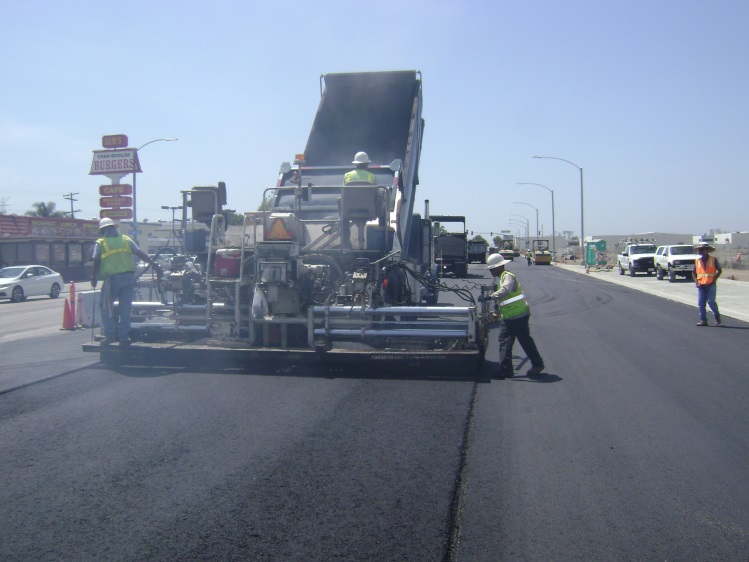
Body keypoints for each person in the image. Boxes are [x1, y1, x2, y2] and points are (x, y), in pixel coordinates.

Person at [91, 218, 162, 346]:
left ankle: (110, 335)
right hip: (129, 278)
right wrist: (153, 264)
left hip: (112, 280)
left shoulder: (101, 243)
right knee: (125, 308)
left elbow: (96, 261)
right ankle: (124, 337)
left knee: (106, 306)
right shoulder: (125, 239)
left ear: (102, 230)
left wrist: (93, 277)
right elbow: (140, 253)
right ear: (114, 228)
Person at [481, 253, 545, 377]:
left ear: (499, 267)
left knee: (508, 340)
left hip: (517, 315)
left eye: (492, 269)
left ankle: (508, 370)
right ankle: (535, 364)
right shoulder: (502, 277)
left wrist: (490, 296)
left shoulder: (507, 276)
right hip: (513, 315)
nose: (491, 271)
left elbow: (506, 290)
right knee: (518, 340)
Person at [692, 241, 722, 326]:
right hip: (701, 285)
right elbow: (693, 272)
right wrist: (696, 282)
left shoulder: (713, 259)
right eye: (699, 250)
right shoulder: (697, 261)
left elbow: (719, 270)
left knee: (711, 302)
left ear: (707, 250)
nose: (700, 251)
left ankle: (716, 315)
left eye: (702, 249)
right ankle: (703, 320)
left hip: (711, 284)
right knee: (701, 303)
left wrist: (714, 278)